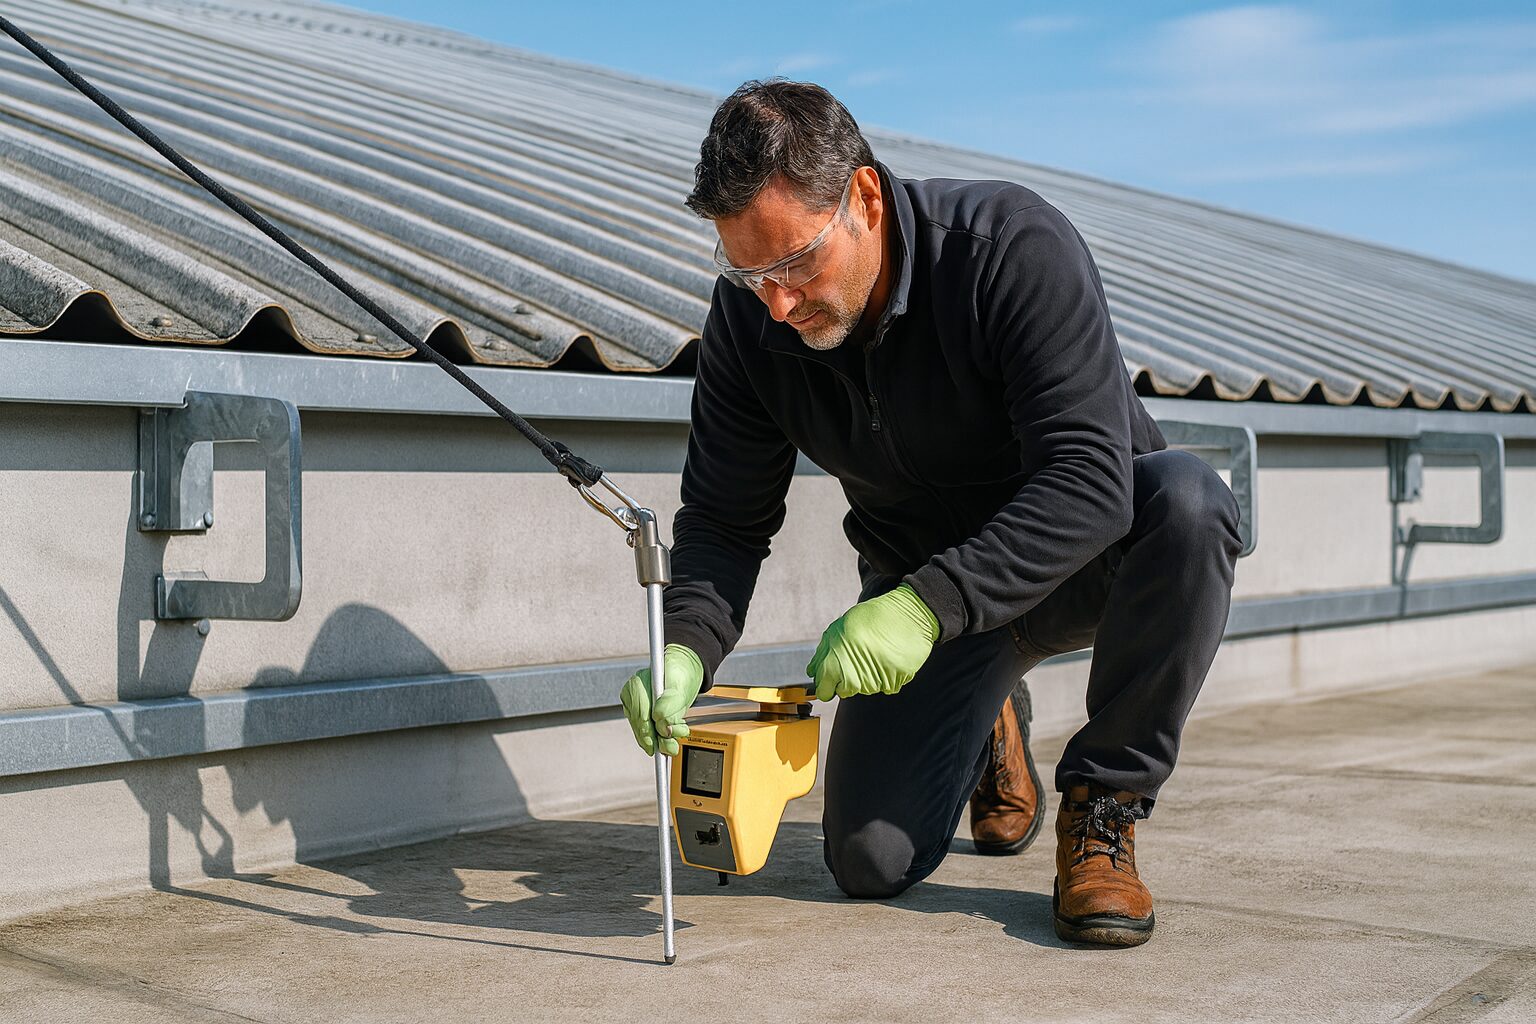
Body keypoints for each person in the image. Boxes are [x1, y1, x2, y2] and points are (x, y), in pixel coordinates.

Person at [618, 79, 1242, 947]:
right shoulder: (751, 323)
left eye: (795, 263)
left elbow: (1092, 480)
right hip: (930, 604)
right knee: (869, 862)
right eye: (747, 270)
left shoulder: (1008, 247)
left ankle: (1104, 811)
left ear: (864, 198)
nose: (778, 304)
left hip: (1082, 562)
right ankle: (992, 712)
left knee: (1189, 501)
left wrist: (922, 608)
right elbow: (725, 520)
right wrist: (684, 647)